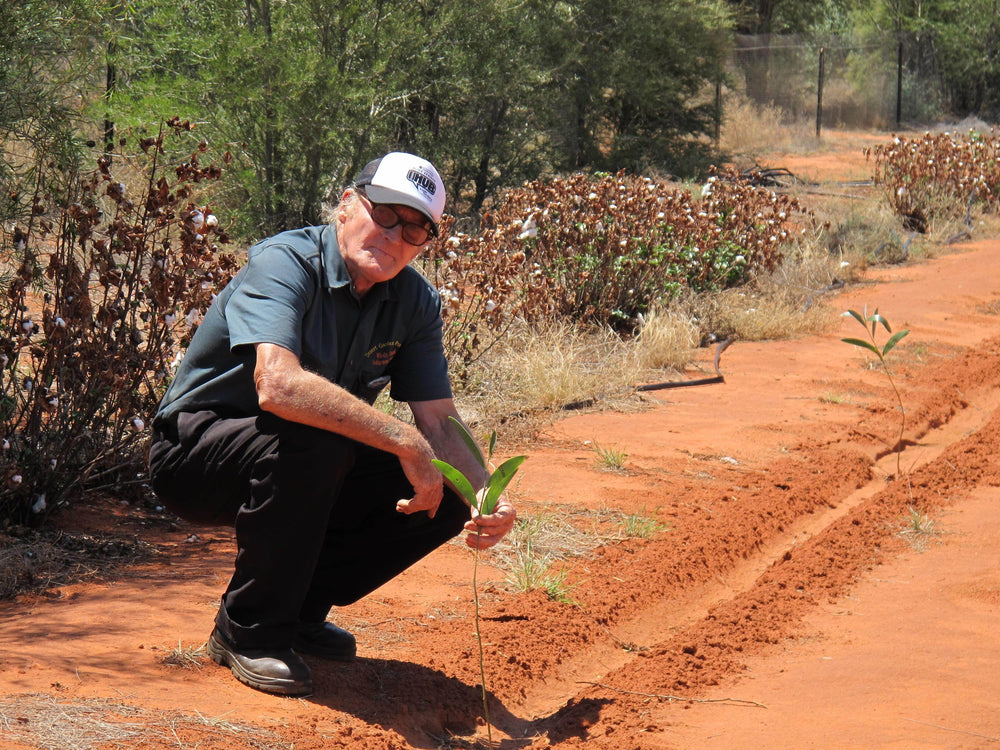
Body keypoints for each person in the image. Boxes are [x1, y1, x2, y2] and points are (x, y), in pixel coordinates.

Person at [147, 152, 517, 697]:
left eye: (415, 228)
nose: (395, 236)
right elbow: (278, 386)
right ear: (347, 205)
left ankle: (296, 609)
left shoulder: (414, 301)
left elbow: (438, 420)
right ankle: (247, 630)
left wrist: (485, 493)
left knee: (447, 486)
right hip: (196, 454)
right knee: (321, 438)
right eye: (386, 213)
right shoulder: (285, 262)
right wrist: (403, 440)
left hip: (300, 456)